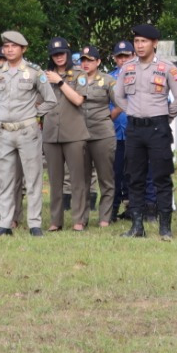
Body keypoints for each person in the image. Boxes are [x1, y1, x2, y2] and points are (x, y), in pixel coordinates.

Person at [113, 23, 177, 239]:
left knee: (161, 177)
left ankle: (165, 227)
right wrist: (131, 110)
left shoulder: (167, 68)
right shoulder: (128, 67)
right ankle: (137, 227)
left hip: (158, 128)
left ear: (154, 43)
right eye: (136, 41)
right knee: (134, 177)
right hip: (135, 129)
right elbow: (118, 95)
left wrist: (165, 116)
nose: (139, 45)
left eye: (144, 41)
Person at [0, 31, 56, 236]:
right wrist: (1, 116)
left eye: (14, 46)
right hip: (4, 133)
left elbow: (50, 100)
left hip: (27, 132)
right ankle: (5, 224)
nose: (9, 50)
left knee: (33, 179)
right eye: (6, 46)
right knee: (6, 179)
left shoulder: (34, 72)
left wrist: (34, 114)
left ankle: (34, 223)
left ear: (23, 49)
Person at [64, 45, 118, 228]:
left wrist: (109, 117)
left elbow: (121, 103)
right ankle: (80, 219)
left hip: (102, 134)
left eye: (90, 60)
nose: (85, 64)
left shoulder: (108, 80)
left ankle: (105, 217)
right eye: (83, 60)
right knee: (81, 179)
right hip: (79, 134)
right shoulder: (73, 80)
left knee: (105, 178)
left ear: (98, 62)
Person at [41, 36, 88, 231]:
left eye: (61, 53)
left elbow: (78, 100)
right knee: (55, 181)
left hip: (74, 133)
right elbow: (37, 102)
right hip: (51, 133)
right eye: (55, 54)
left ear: (68, 54)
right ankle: (56, 221)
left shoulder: (79, 74)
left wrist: (60, 82)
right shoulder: (44, 76)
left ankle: (79, 219)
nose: (58, 57)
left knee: (77, 179)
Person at [109, 40, 136, 221]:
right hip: (113, 133)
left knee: (134, 173)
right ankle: (112, 210)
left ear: (133, 56)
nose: (123, 60)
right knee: (114, 174)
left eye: (126, 56)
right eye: (119, 57)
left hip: (135, 133)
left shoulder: (140, 75)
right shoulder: (108, 79)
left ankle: (134, 209)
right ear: (114, 58)